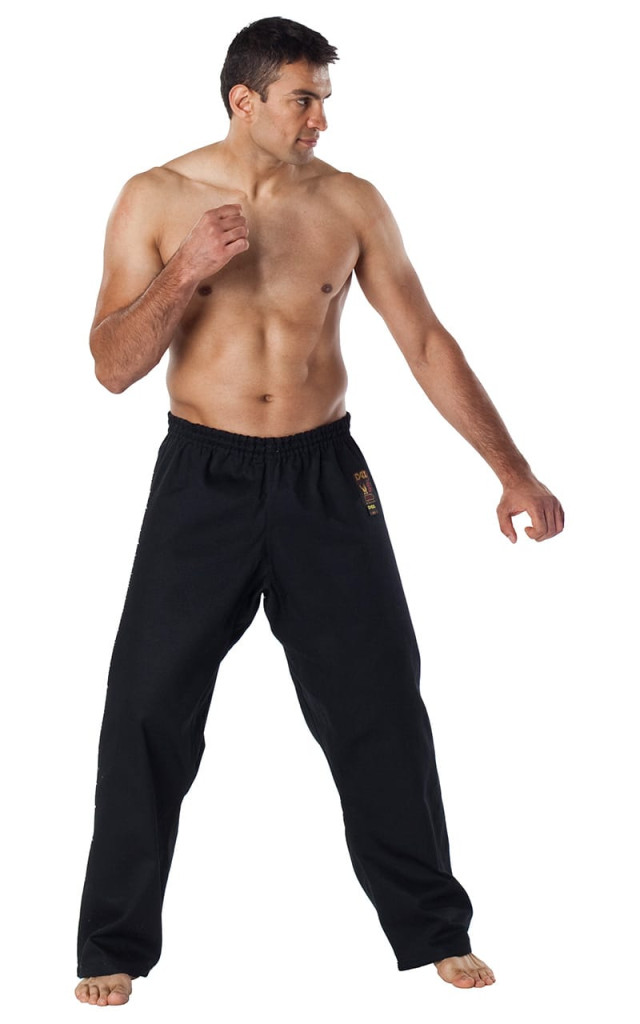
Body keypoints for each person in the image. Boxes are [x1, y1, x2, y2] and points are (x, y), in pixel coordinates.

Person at [74, 15, 564, 1007]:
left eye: (325, 100)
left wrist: (512, 471)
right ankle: (112, 945)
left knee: (381, 705)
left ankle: (434, 931)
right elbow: (112, 367)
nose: (321, 120)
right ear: (244, 99)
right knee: (146, 710)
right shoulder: (155, 197)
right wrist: (184, 270)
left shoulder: (350, 202)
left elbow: (425, 341)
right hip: (202, 479)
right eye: (304, 99)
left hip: (324, 478)